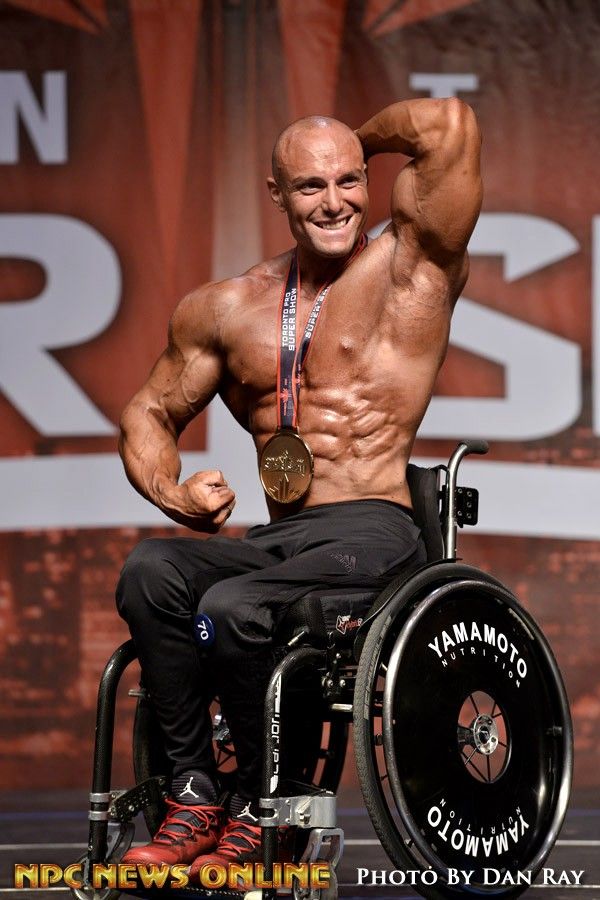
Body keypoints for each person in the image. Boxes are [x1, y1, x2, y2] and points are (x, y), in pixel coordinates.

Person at [117, 97, 482, 878]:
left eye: (350, 180)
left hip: (374, 530)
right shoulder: (228, 308)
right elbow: (148, 411)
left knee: (234, 606)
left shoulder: (410, 268)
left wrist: (355, 138)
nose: (336, 202)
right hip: (281, 541)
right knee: (150, 570)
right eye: (312, 185)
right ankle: (193, 795)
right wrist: (172, 493)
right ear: (277, 192)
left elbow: (447, 125)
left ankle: (265, 810)